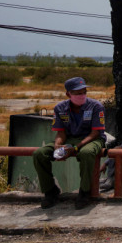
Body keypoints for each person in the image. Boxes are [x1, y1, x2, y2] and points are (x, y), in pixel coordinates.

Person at [32, 77, 106, 209]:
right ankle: (50, 191)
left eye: (84, 92)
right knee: (39, 154)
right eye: (78, 93)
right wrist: (57, 146)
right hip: (70, 138)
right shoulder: (60, 108)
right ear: (68, 94)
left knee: (87, 153)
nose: (81, 95)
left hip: (92, 139)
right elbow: (60, 132)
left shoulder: (96, 106)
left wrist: (76, 148)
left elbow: (95, 132)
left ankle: (84, 191)